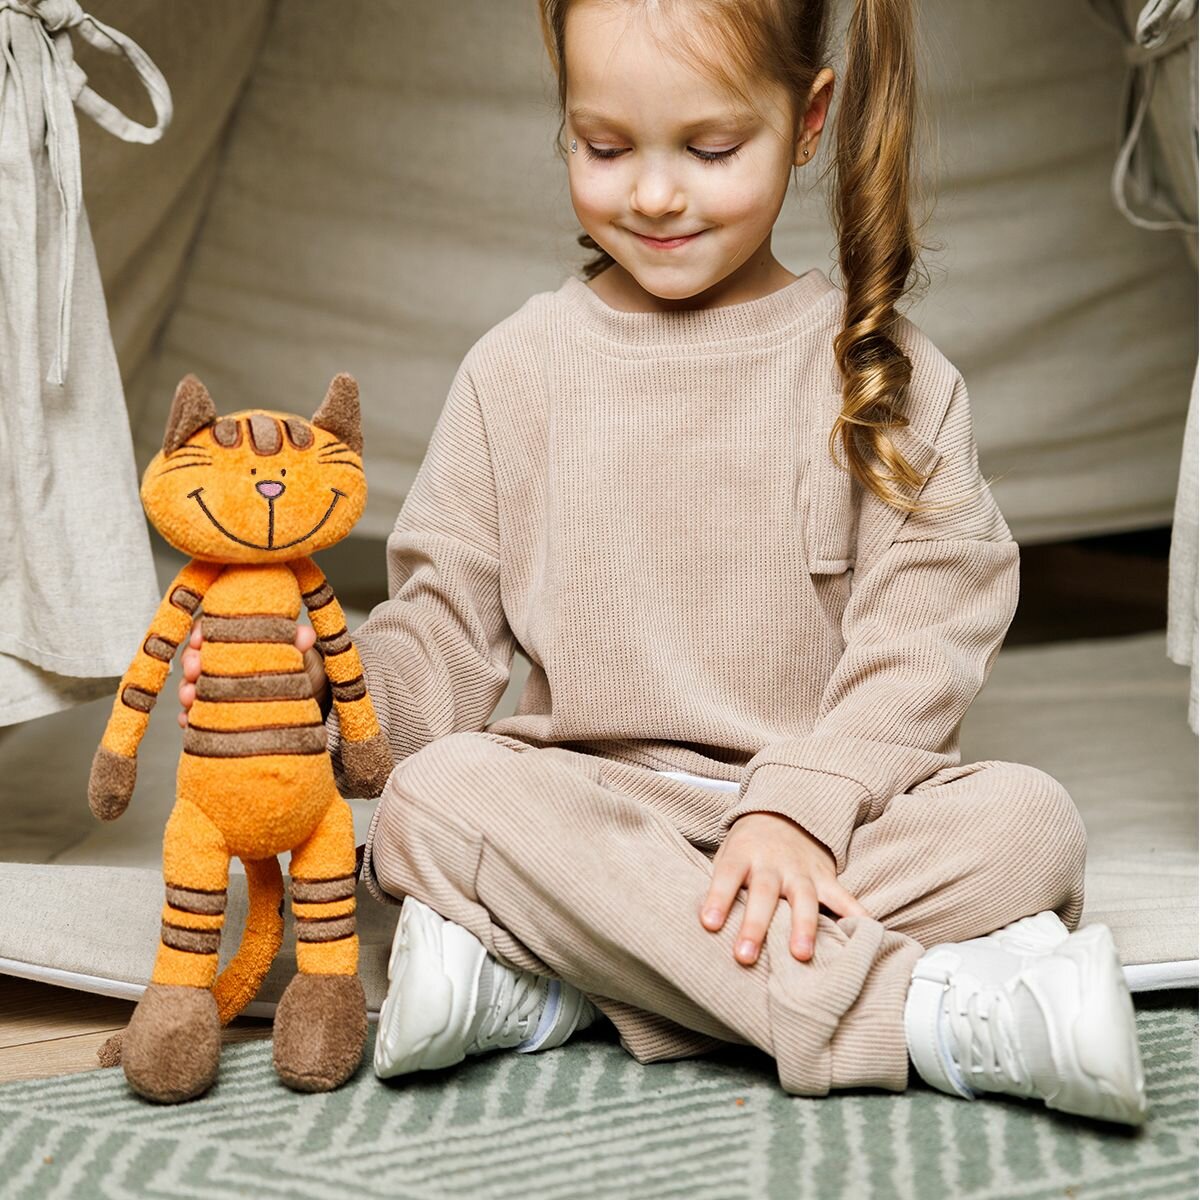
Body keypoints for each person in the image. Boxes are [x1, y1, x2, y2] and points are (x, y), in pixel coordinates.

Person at [179, 0, 1148, 1124]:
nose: (651, 192)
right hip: (590, 810)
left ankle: (563, 983)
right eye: (603, 146)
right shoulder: (517, 371)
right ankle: (929, 1014)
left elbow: (926, 634)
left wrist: (801, 808)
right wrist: (321, 680)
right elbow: (440, 637)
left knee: (1027, 824)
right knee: (433, 804)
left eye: (710, 148)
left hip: (829, 828)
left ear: (809, 118)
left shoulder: (887, 374)